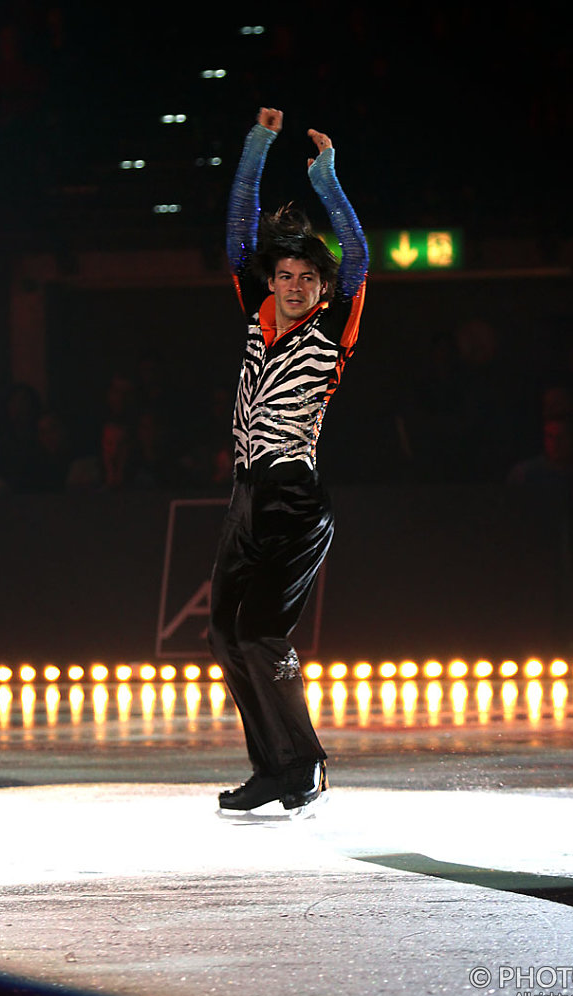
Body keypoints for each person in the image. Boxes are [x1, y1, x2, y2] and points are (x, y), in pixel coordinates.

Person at [208, 107, 368, 813]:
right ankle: (273, 767)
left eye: (309, 276)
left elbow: (358, 254)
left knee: (260, 631)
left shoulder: (333, 329)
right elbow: (238, 232)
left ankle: (302, 764)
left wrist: (326, 181)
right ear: (270, 280)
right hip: (246, 498)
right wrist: (257, 146)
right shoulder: (256, 312)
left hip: (293, 502)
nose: (296, 285)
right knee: (224, 633)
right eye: (286, 274)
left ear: (323, 289)